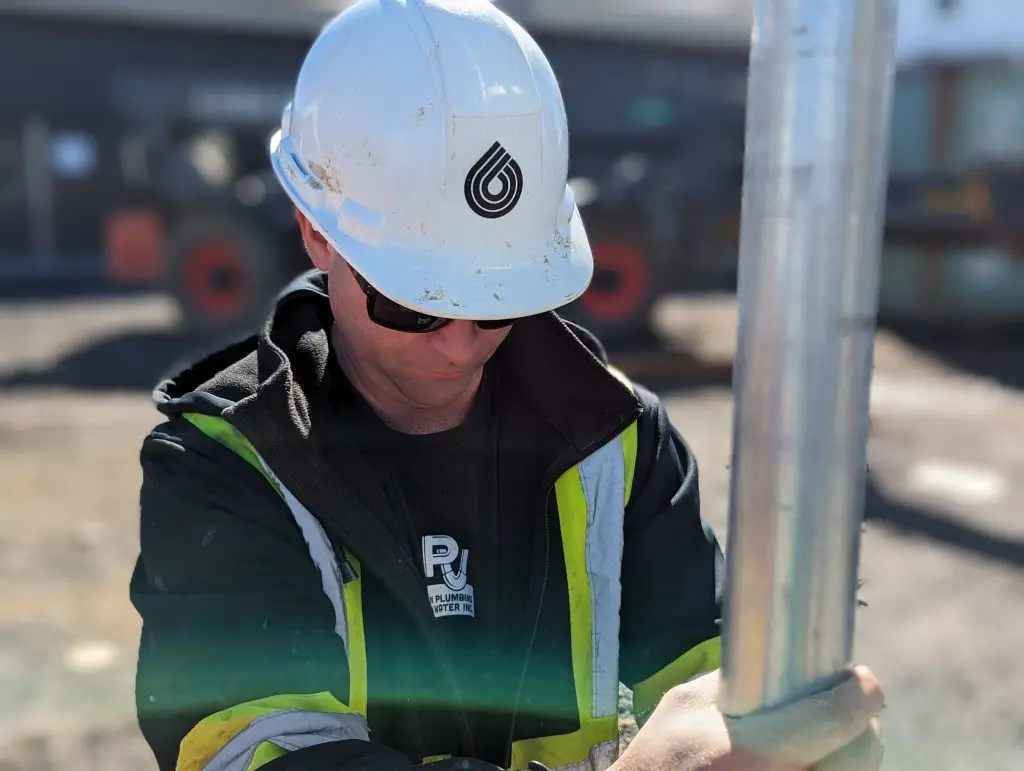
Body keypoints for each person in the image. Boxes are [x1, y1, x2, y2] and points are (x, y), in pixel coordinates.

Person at [129, 2, 885, 770]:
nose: (461, 345)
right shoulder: (223, 461)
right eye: (416, 302)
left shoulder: (617, 438)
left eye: (500, 298)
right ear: (316, 232)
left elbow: (720, 691)